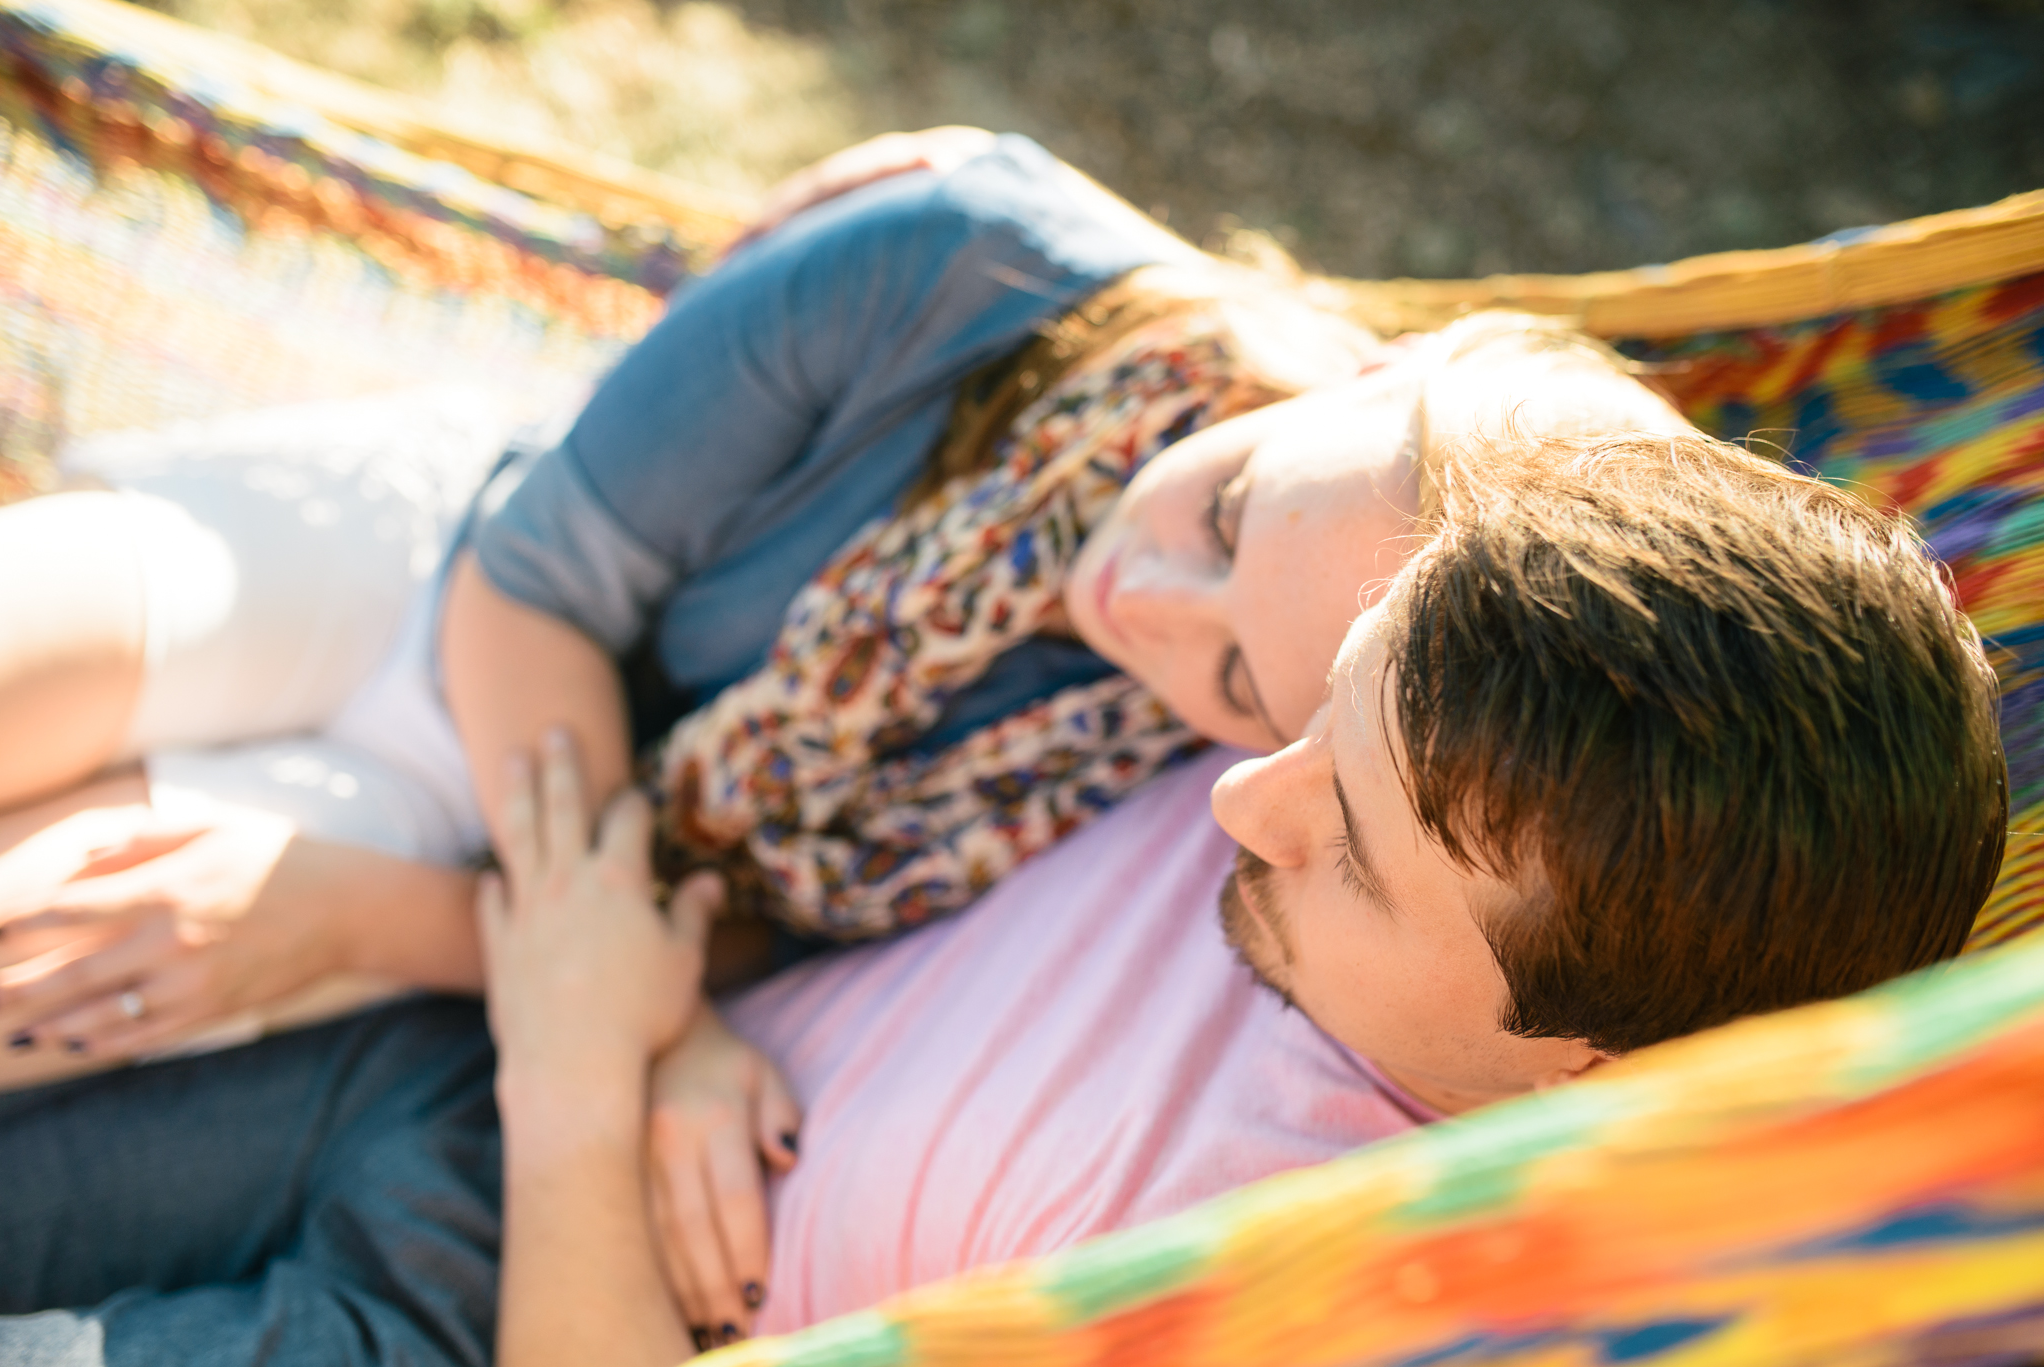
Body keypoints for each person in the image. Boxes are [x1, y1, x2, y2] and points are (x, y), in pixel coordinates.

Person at [0, 127, 1679, 1337]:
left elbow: (752, 922)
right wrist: (639, 1022)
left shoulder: (1258, 774)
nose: (1144, 603)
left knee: (53, 934)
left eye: (1242, 679)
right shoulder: (970, 254)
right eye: (1228, 511)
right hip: (443, 585)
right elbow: (528, 591)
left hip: (519, 849)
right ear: (1389, 364)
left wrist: (592, 994)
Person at [474, 420, 2006, 1363]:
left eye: (1348, 844)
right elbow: (1485, 376)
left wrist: (575, 1093)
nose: (1234, 794)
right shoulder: (1487, 689)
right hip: (548, 1000)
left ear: (1594, 1066)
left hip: (512, 1250)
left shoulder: (1289, 1295)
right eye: (1319, 713)